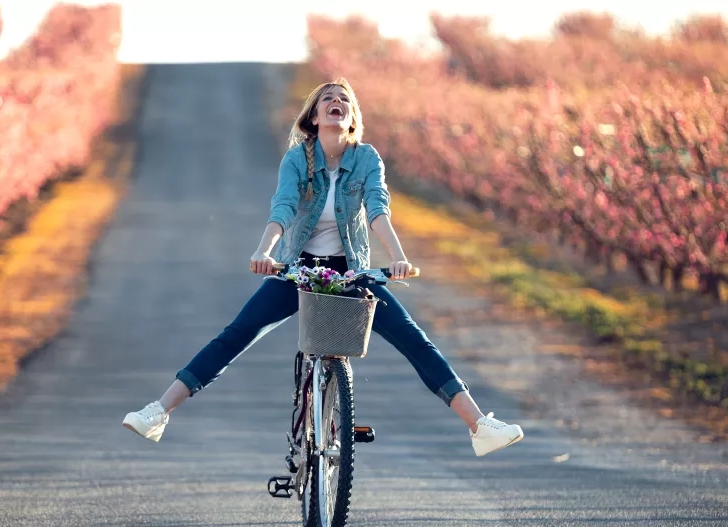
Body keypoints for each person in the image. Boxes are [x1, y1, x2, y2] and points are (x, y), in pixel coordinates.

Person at [122, 78, 524, 457]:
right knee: (237, 334)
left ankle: (479, 427)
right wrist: (265, 251)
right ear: (314, 116)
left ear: (352, 118)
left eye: (345, 99)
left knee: (414, 340)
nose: (337, 102)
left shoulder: (366, 158)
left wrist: (398, 258)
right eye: (328, 98)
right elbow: (282, 207)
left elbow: (377, 208)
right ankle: (159, 412)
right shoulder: (298, 159)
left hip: (351, 272)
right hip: (300, 270)